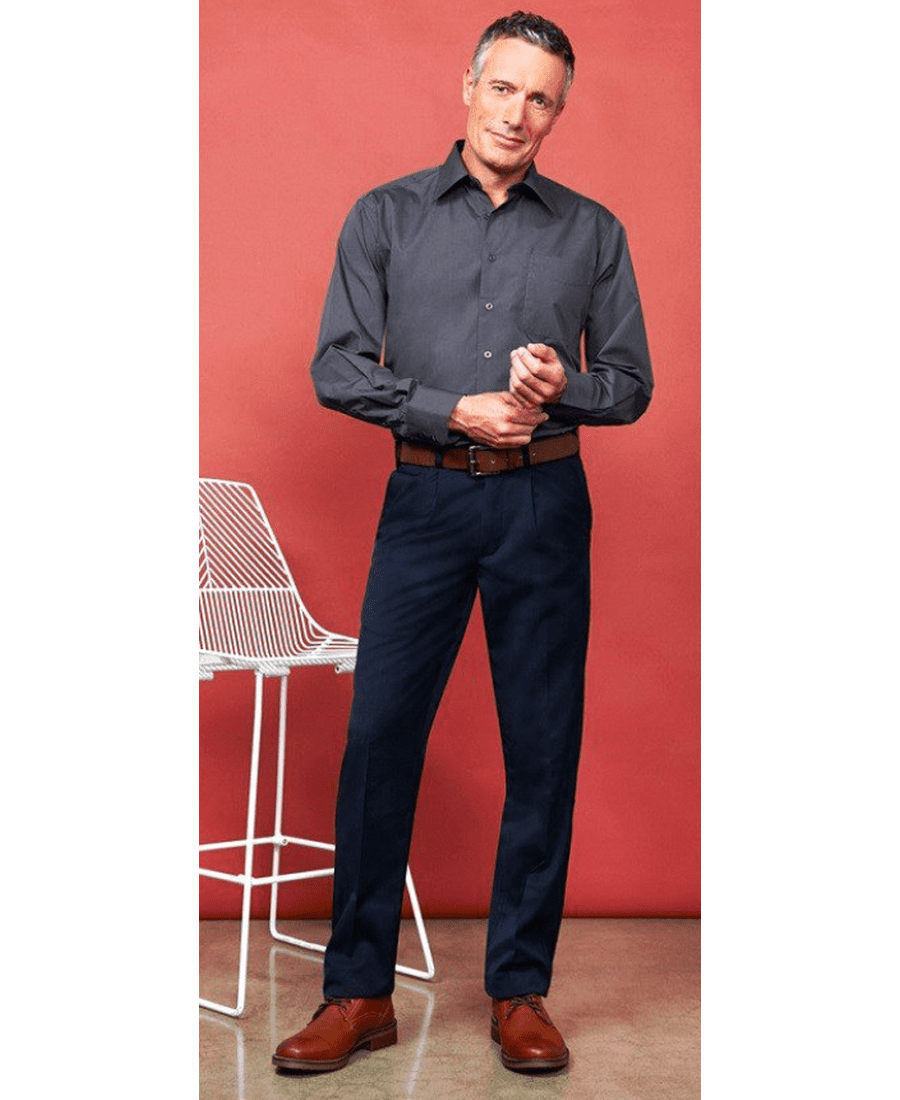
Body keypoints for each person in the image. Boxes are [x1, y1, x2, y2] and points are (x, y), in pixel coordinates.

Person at [272, 10, 653, 1076]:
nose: (518, 113)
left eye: (541, 99)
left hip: (545, 506)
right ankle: (358, 991)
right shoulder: (384, 215)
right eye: (504, 87)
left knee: (544, 745)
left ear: (557, 115)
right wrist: (452, 410)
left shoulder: (594, 231)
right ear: (468, 87)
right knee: (379, 739)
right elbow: (337, 367)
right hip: (426, 503)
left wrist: (562, 387)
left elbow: (631, 384)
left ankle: (520, 990)